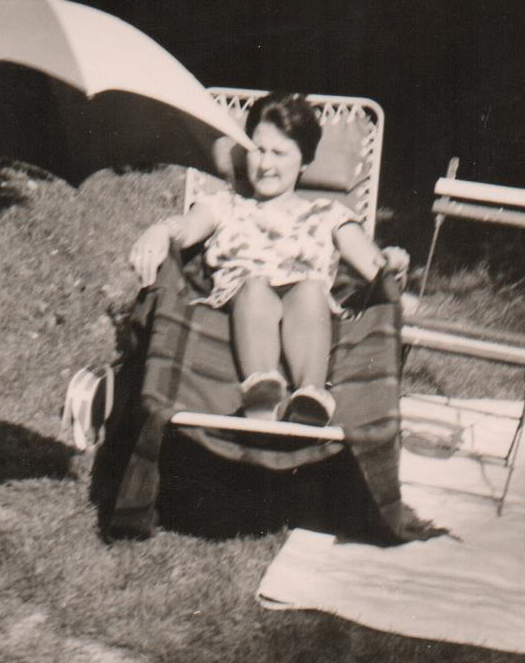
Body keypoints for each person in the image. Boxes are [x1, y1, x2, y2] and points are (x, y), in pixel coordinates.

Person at [129, 91, 408, 427]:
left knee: (309, 290)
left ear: (304, 161)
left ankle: (310, 397)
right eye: (258, 150)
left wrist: (391, 265)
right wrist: (161, 231)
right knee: (255, 287)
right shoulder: (225, 204)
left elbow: (373, 265)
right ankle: (262, 390)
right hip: (242, 300)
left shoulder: (330, 213)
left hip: (308, 311)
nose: (265, 164)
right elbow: (186, 228)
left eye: (279, 153)